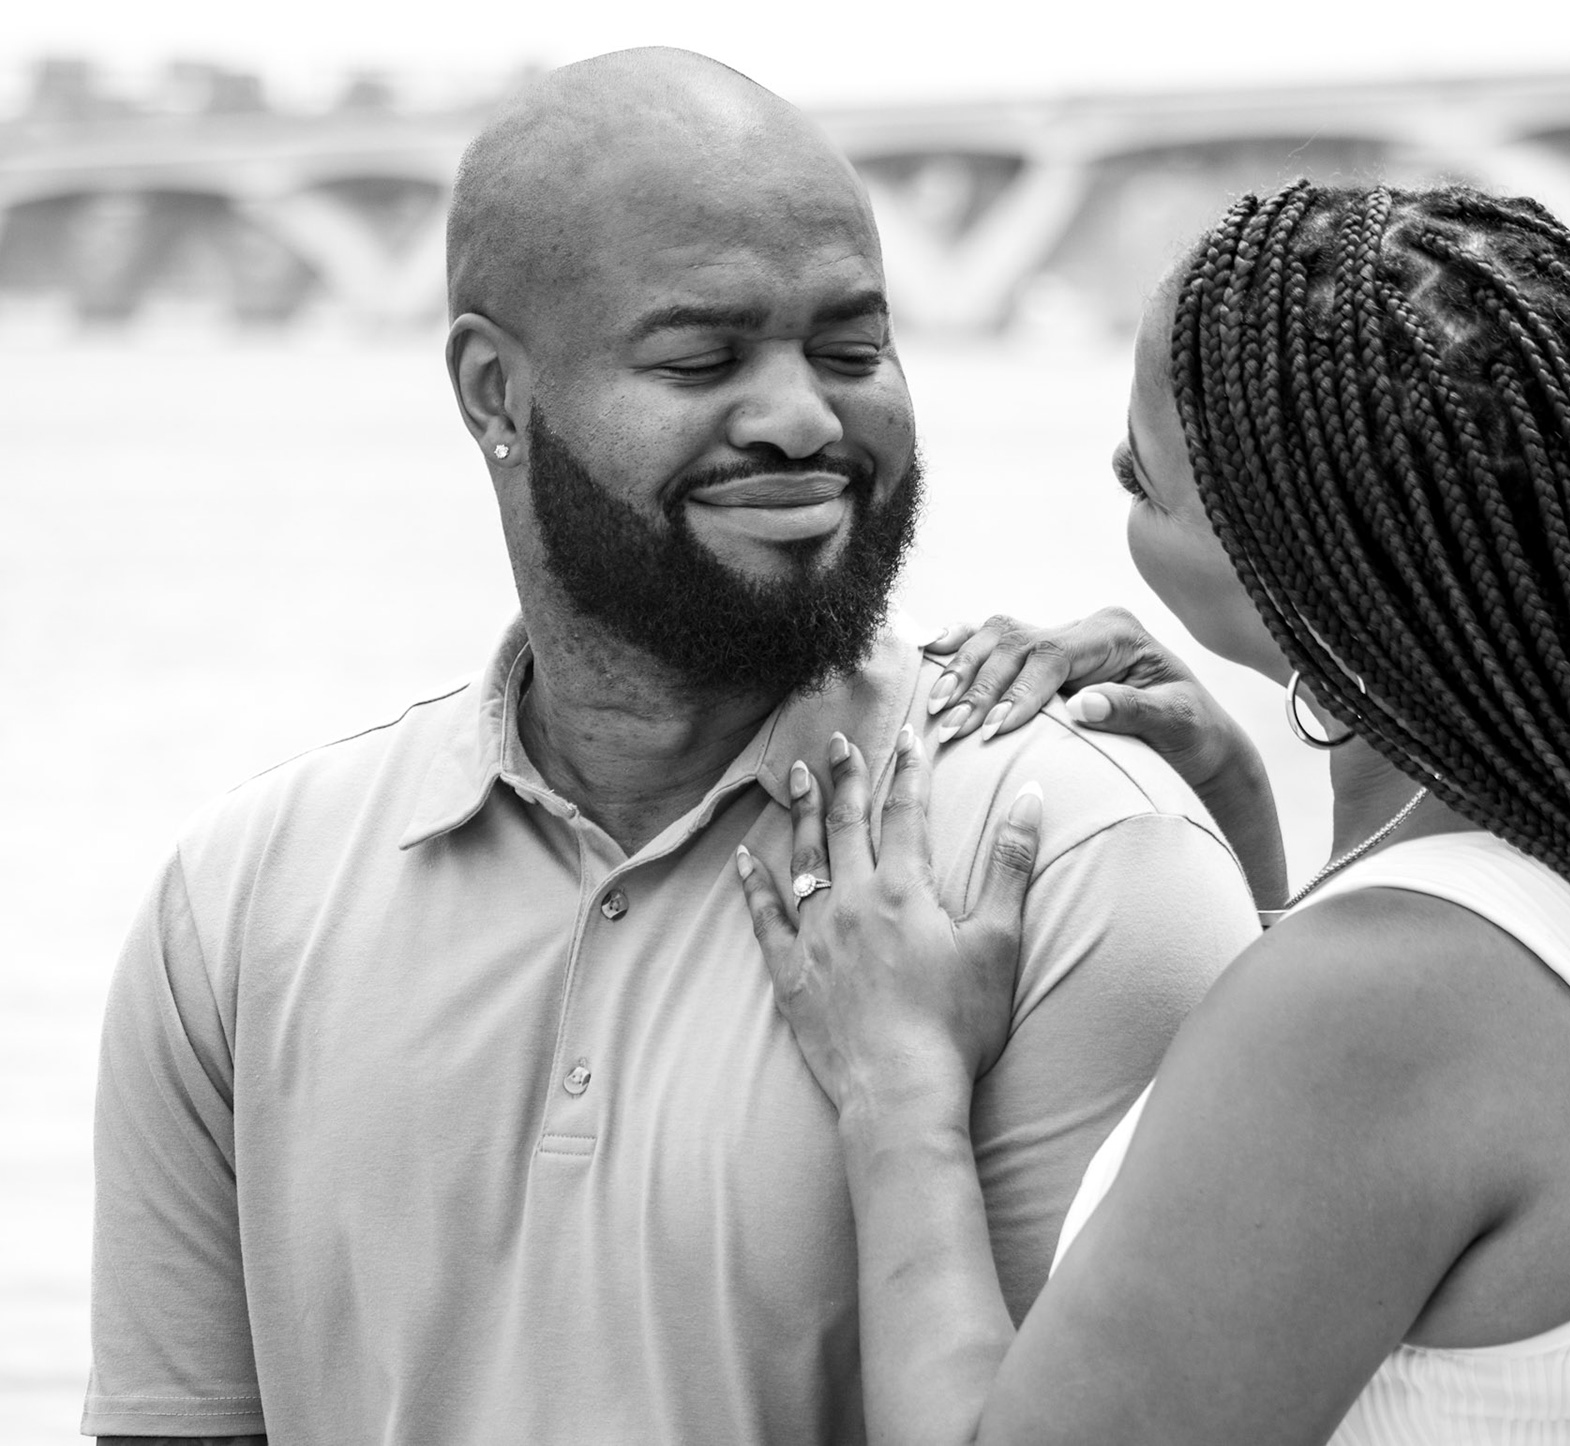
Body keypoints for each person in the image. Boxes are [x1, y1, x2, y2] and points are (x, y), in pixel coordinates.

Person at [83, 49, 1260, 1445]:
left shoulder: (1078, 868)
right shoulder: (241, 907)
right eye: (703, 359)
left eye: (852, 348)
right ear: (494, 394)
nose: (803, 419)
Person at [734, 182, 1570, 1444]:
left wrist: (898, 1087)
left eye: (1139, 479)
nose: (1122, 494)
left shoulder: (1378, 1003)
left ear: (1288, 545)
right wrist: (1245, 802)